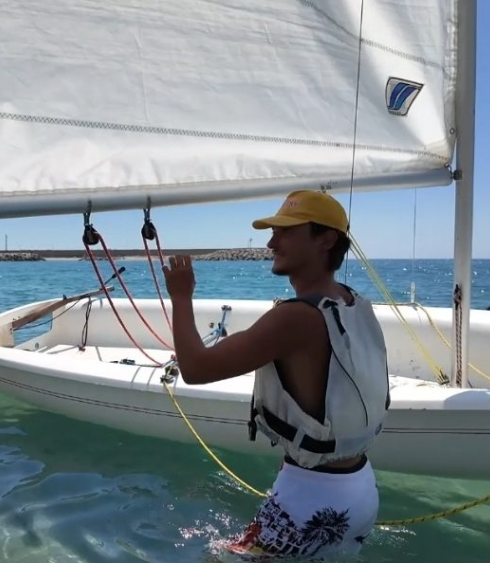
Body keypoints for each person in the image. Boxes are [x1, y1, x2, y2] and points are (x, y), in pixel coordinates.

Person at [162, 190, 388, 560]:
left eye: (286, 232)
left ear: (326, 240)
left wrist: (181, 295)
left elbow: (195, 368)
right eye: (273, 232)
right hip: (359, 490)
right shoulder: (352, 301)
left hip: (311, 501)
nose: (271, 243)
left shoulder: (295, 318)